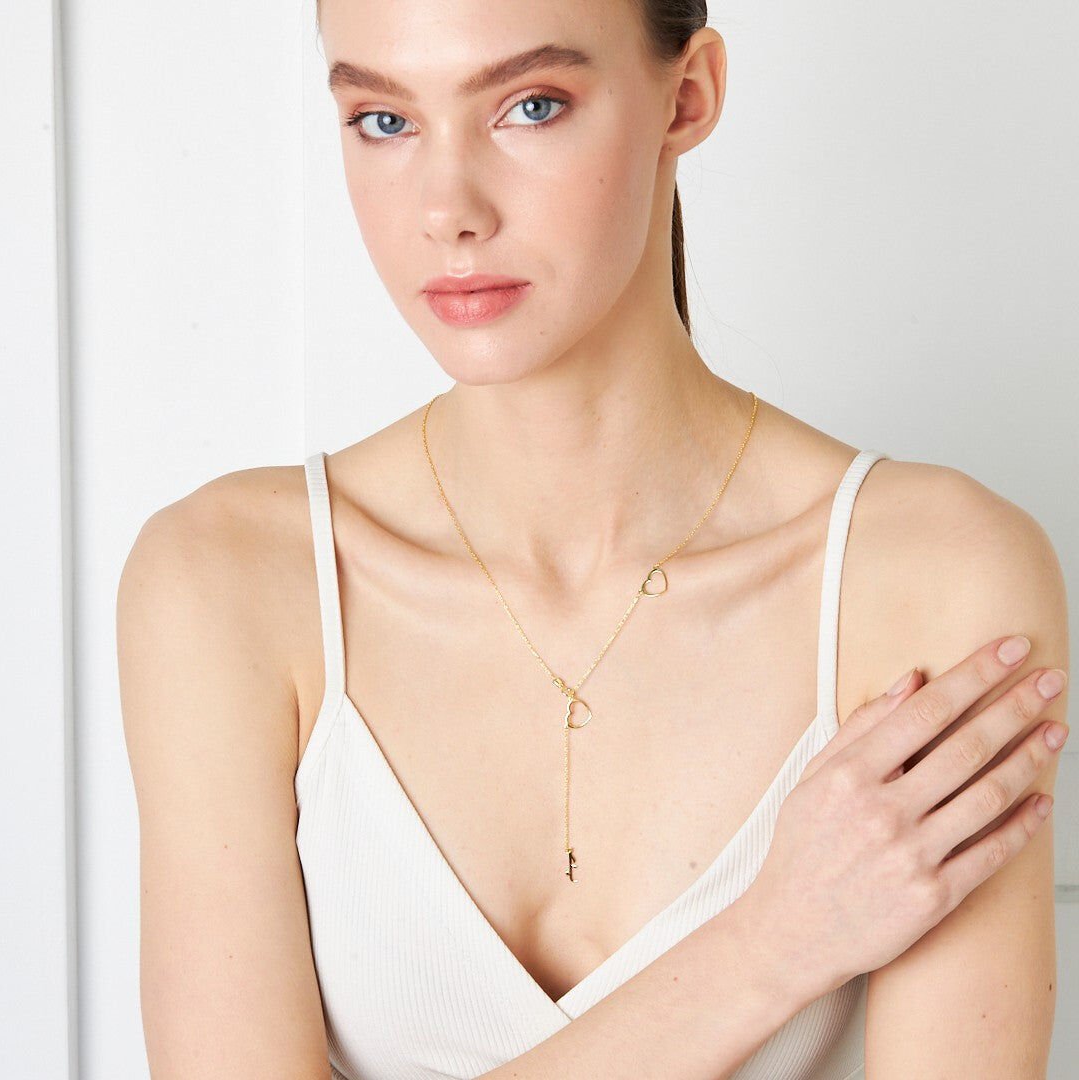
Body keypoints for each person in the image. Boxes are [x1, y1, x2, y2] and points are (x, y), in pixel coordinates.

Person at [116, 1, 1070, 1077]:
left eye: (530, 106)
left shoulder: (927, 577)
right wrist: (769, 946)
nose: (447, 209)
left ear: (688, 95)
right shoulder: (233, 582)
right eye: (385, 121)